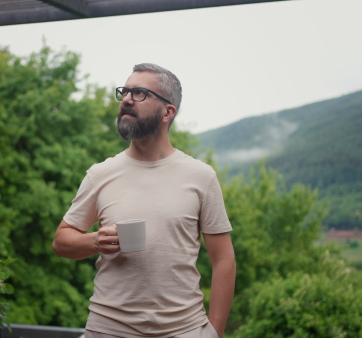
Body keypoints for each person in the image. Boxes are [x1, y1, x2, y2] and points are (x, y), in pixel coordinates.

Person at [53, 63, 236, 338]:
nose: (126, 99)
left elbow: (224, 260)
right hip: (108, 330)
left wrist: (215, 332)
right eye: (124, 92)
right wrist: (94, 241)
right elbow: (61, 242)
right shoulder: (100, 174)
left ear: (168, 111)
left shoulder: (201, 177)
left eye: (139, 93)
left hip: (185, 330)